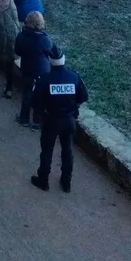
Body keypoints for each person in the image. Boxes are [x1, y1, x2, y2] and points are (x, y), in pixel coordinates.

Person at [31, 45, 89, 193]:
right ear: (64, 60)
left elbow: (34, 101)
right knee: (67, 150)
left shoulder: (44, 79)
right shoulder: (74, 77)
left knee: (47, 150)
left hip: (51, 120)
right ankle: (66, 182)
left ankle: (43, 180)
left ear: (50, 61)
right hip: (69, 120)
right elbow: (83, 97)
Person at [14, 11, 53, 128]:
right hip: (42, 70)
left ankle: (24, 118)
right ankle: (37, 121)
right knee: (40, 94)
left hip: (27, 67)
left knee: (27, 93)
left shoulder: (21, 36)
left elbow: (17, 52)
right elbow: (49, 51)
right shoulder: (44, 39)